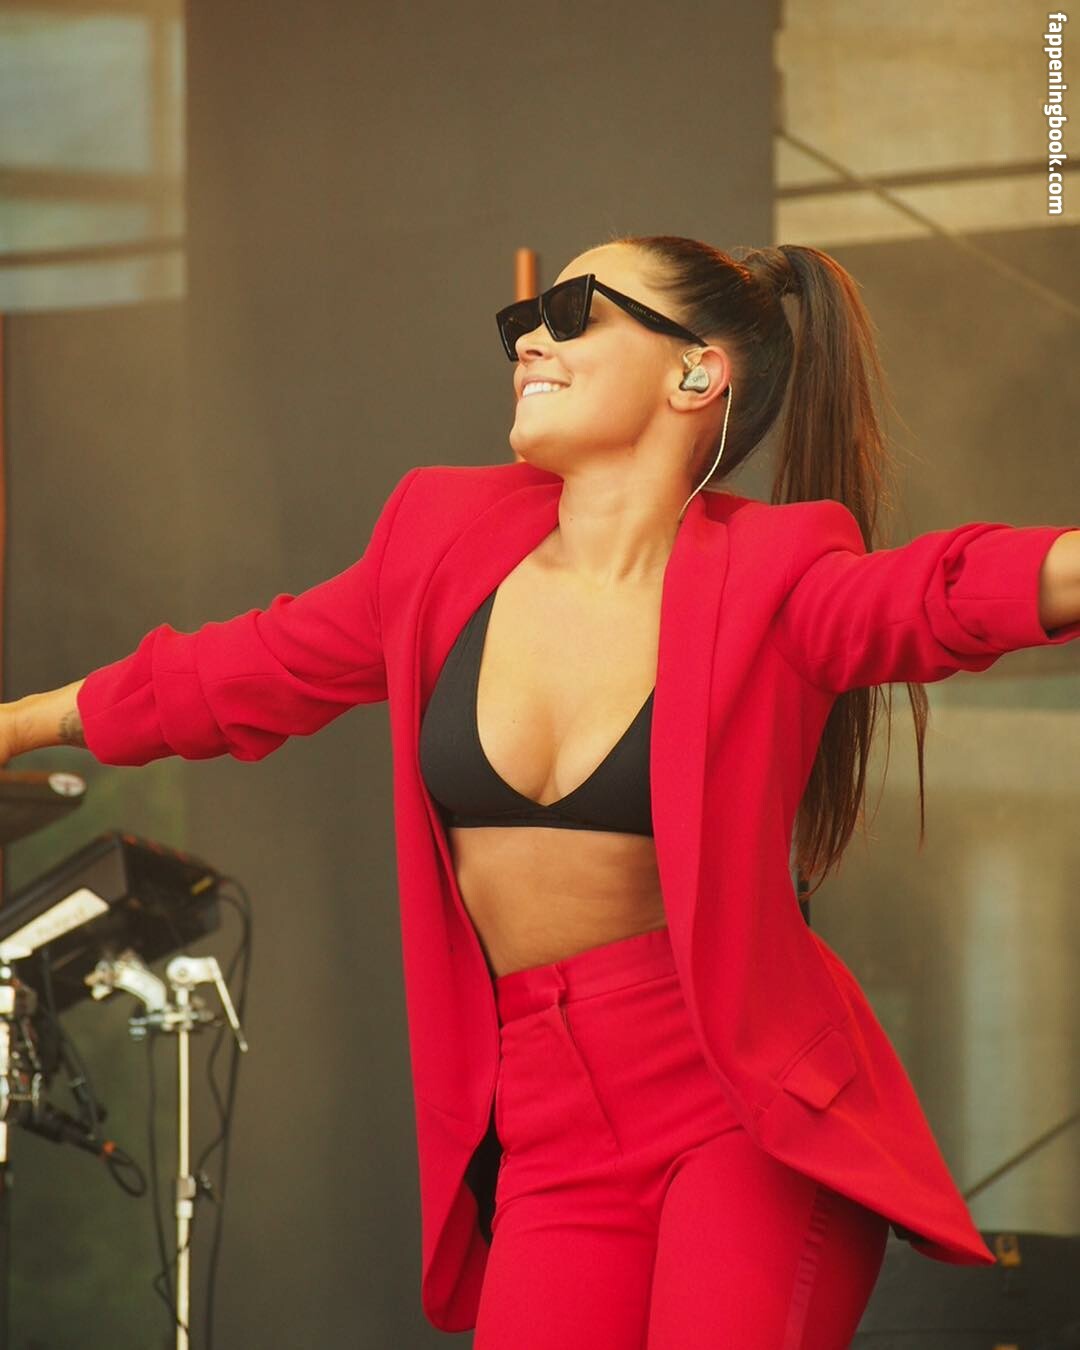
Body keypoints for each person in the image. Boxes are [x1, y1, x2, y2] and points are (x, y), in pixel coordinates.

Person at [5, 235, 1080, 1348]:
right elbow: (239, 670)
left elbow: (941, 592)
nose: (528, 339)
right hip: (547, 1121)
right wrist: (17, 723)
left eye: (574, 311)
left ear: (696, 372)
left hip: (737, 1105)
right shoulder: (439, 543)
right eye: (526, 321)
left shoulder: (776, 572)